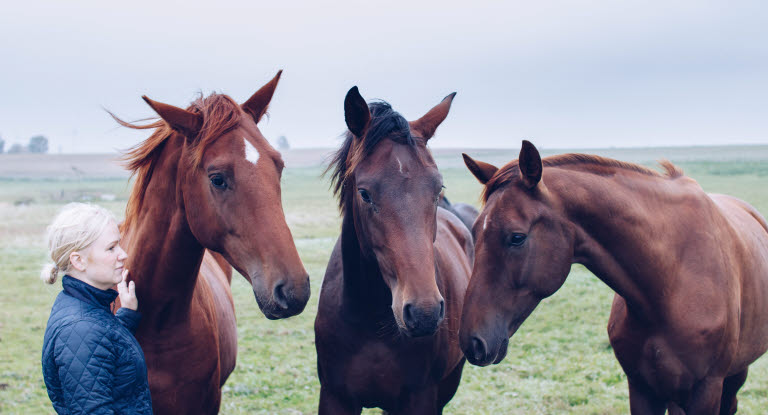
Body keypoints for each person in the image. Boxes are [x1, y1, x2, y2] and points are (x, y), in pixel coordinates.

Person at [40, 203, 152, 414]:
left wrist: (125, 317)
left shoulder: (83, 307)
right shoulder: (79, 329)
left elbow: (101, 353)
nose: (123, 254)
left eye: (118, 244)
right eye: (111, 248)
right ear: (78, 261)